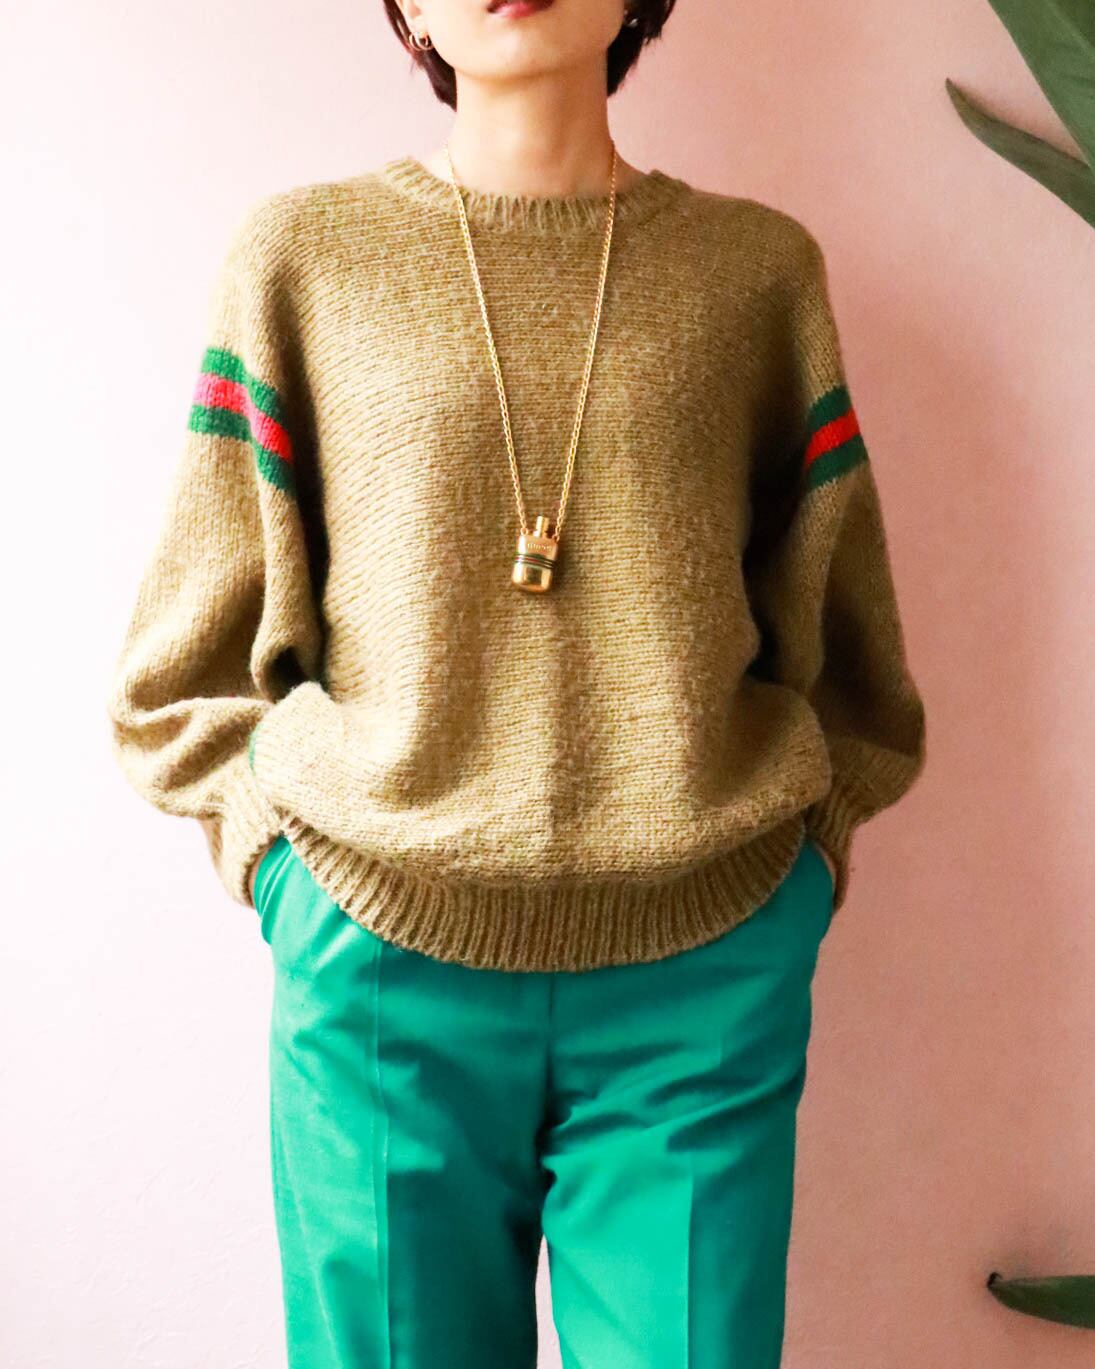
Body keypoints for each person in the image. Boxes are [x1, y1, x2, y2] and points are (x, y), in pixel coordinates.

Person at [105, 1, 928, 1364]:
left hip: (701, 978)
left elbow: (846, 642)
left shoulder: (757, 274)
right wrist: (285, 869)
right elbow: (181, 661)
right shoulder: (304, 258)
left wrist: (805, 860)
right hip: (380, 967)